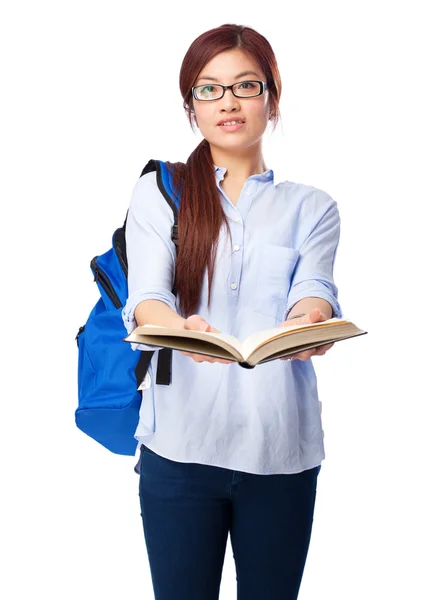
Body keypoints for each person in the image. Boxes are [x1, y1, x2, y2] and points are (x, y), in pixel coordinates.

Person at [122, 23, 343, 600]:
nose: (228, 102)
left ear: (272, 97)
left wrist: (311, 318)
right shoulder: (160, 192)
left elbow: (314, 285)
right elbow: (148, 297)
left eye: (245, 85)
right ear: (190, 105)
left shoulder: (312, 207)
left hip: (281, 450)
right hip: (180, 449)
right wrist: (180, 329)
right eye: (209, 89)